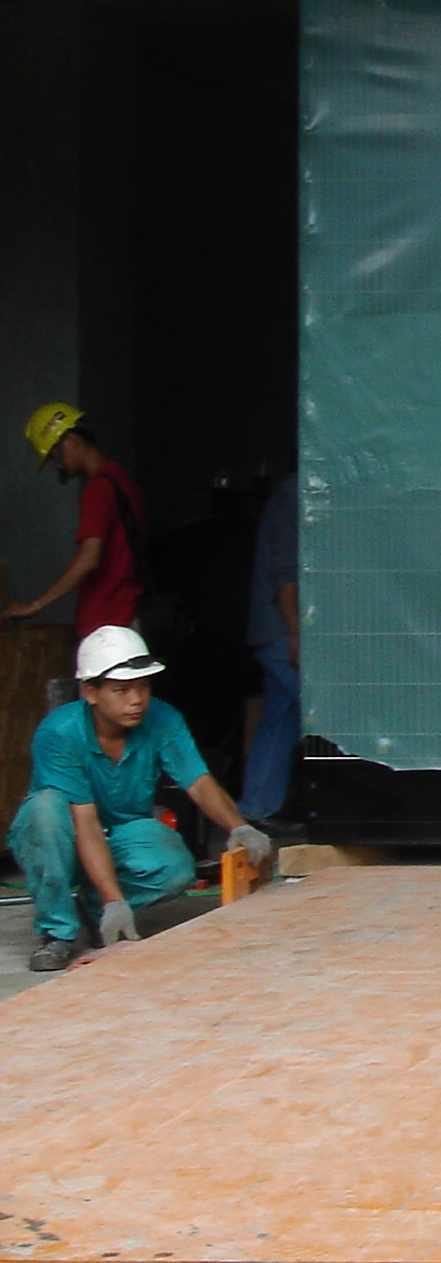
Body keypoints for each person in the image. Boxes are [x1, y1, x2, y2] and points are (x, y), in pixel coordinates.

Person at [9, 625, 274, 973]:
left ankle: (93, 912)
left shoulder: (162, 719)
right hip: (66, 838)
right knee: (44, 810)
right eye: (121, 690)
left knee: (175, 865)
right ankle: (57, 932)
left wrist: (240, 827)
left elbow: (198, 781)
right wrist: (115, 898)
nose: (136, 699)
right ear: (90, 692)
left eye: (143, 686)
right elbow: (84, 822)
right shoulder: (59, 733)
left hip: (121, 833)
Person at [7, 404, 146, 635]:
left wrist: (34, 605)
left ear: (71, 440)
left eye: (54, 456)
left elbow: (89, 558)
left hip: (108, 624)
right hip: (128, 616)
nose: (56, 466)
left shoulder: (99, 488)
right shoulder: (122, 481)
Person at [239, 475, 301, 823]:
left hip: (273, 630)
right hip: (282, 631)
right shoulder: (291, 497)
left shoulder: (288, 494)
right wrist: (296, 633)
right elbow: (285, 572)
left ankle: (256, 807)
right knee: (330, 712)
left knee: (280, 717)